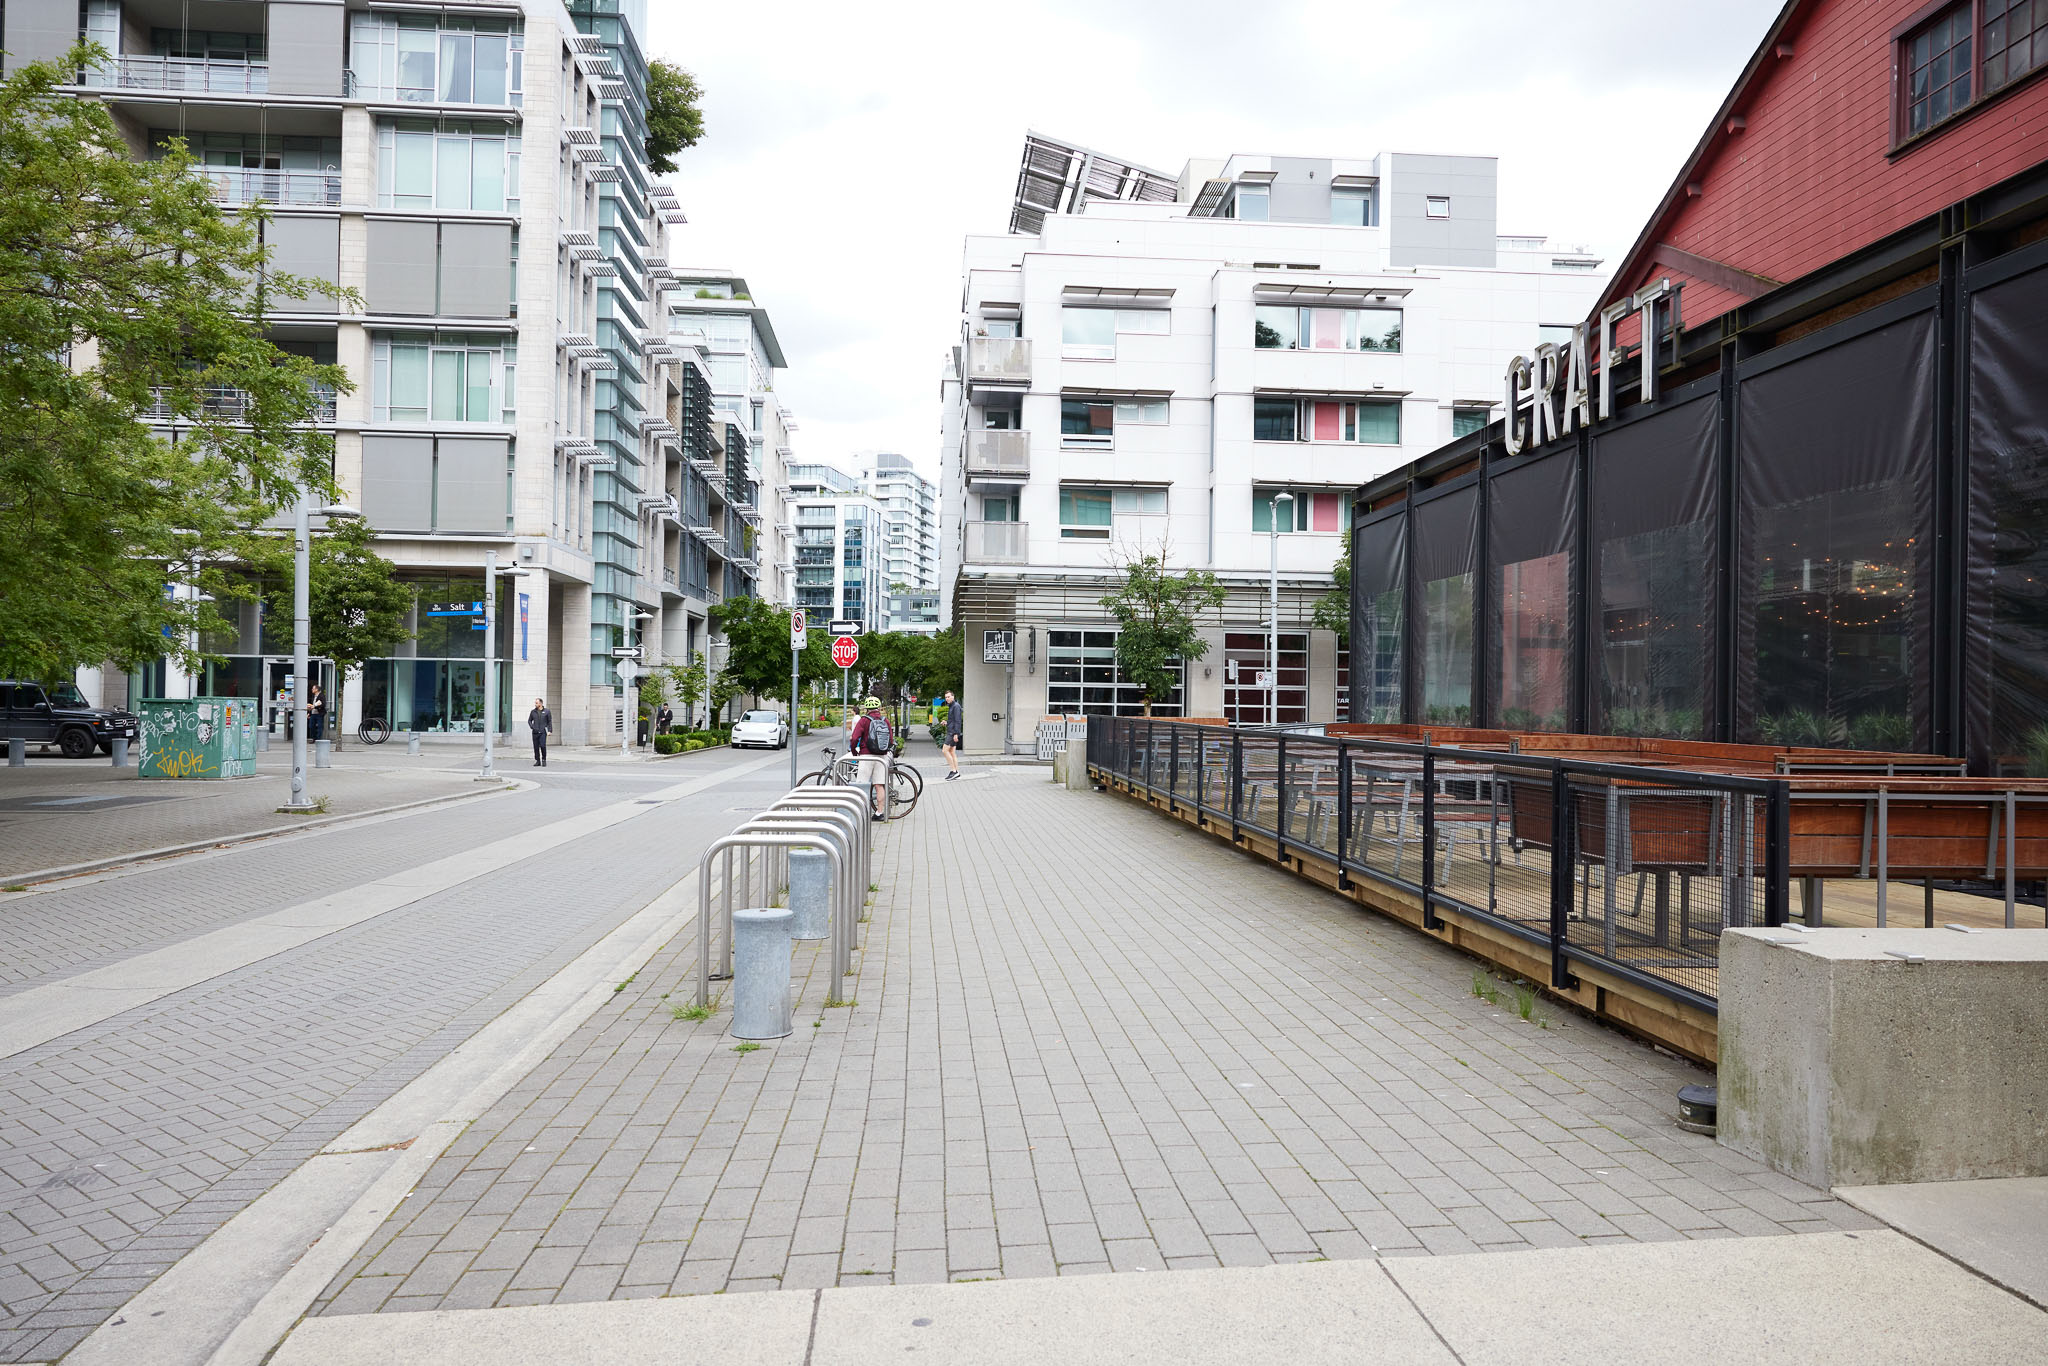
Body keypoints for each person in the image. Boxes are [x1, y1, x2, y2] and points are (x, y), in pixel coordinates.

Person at [847, 694, 892, 819]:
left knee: (861, 784)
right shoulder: (885, 720)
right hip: (881, 757)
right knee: (879, 785)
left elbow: (854, 738)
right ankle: (880, 812)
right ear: (879, 707)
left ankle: (860, 814)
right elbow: (891, 740)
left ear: (866, 708)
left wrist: (854, 751)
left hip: (866, 756)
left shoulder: (864, 720)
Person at [941, 690, 962, 779]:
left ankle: (953, 771)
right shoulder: (952, 706)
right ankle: (957, 773)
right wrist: (946, 722)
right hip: (952, 731)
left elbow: (958, 721)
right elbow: (953, 720)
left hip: (952, 732)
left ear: (953, 697)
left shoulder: (956, 706)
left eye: (948, 697)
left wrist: (956, 734)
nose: (947, 698)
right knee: (952, 752)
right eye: (946, 697)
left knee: (944, 750)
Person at [528, 697, 553, 767]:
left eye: (537, 703)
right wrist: (532, 726)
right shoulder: (533, 712)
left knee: (542, 745)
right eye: (535, 703)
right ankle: (537, 760)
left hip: (543, 732)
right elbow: (529, 720)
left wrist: (550, 730)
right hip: (535, 732)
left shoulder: (547, 711)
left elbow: (549, 721)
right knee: (536, 747)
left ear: (541, 703)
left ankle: (544, 759)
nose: (535, 704)